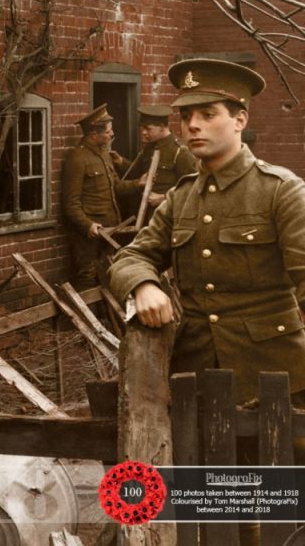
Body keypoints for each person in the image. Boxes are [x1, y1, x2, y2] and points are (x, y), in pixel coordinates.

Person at [108, 61, 305, 546]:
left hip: (274, 377)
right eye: (185, 115)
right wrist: (143, 285)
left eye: (207, 113)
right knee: (206, 502)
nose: (192, 125)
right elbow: (131, 255)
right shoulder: (181, 197)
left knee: (276, 506)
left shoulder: (281, 190)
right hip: (196, 373)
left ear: (239, 119)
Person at [61, 103, 146, 290]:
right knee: (88, 275)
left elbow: (116, 187)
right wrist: (88, 225)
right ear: (93, 135)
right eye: (108, 132)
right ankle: (86, 318)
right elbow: (70, 204)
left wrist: (138, 184)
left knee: (109, 271)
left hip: (110, 228)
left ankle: (106, 318)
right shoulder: (77, 159)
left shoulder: (105, 155)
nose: (112, 135)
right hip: (90, 234)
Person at [114, 104, 196, 219]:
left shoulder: (180, 151)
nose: (143, 132)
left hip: (169, 216)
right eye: (142, 128)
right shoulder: (149, 148)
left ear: (162, 127)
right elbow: (136, 172)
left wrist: (163, 197)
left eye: (148, 128)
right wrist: (120, 161)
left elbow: (192, 189)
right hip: (147, 216)